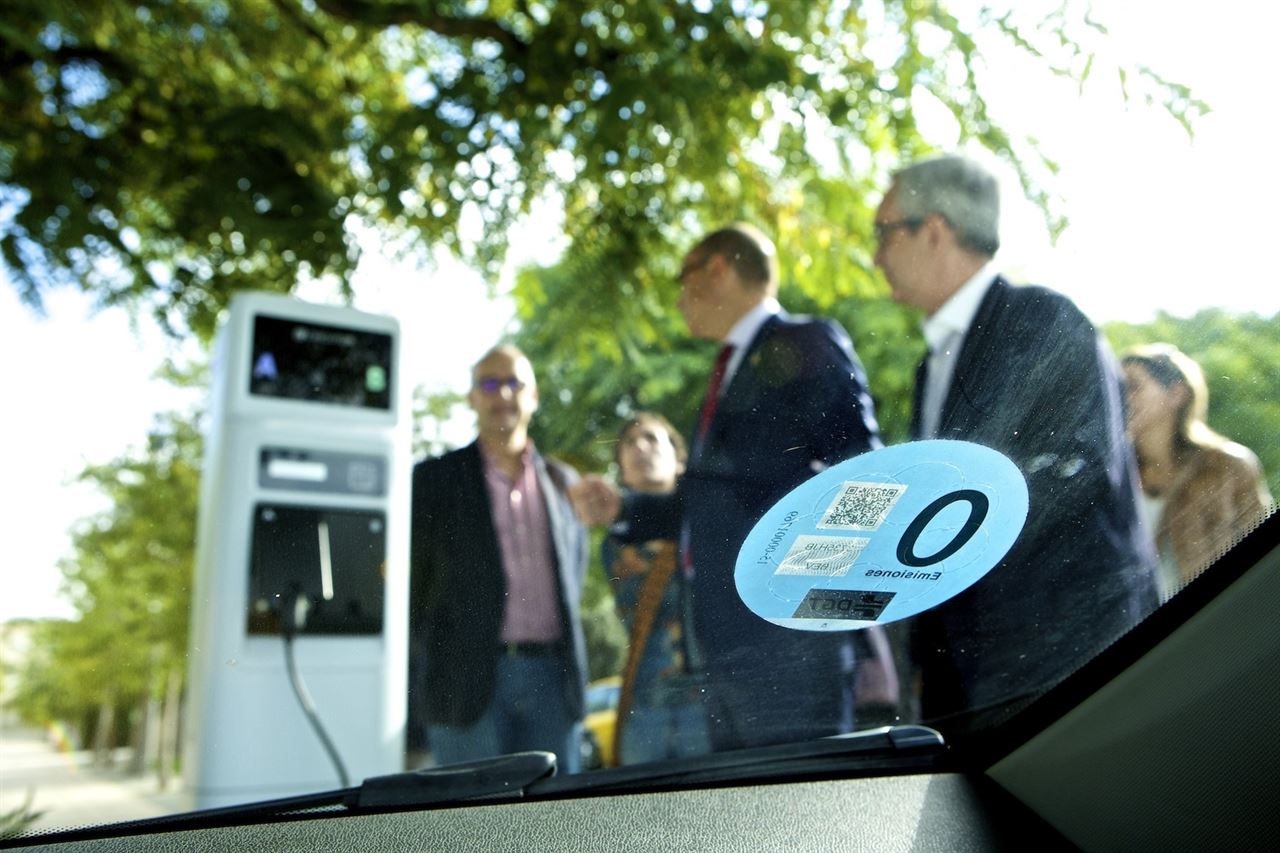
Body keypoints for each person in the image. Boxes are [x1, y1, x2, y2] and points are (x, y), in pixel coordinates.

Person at [872, 155, 1159, 726]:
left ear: (933, 231)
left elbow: (1071, 478)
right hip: (978, 671)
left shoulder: (1042, 320)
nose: (875, 256)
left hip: (1060, 667)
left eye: (883, 233)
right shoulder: (933, 364)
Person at [574, 223, 882, 751]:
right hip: (723, 656)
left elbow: (866, 477)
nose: (677, 299)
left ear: (717, 269)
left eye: (683, 278)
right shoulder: (727, 371)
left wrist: (818, 607)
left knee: (800, 821)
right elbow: (710, 504)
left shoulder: (803, 342)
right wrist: (623, 506)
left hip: (791, 652)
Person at [408, 344, 588, 772]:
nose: (502, 395)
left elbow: (574, 578)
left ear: (534, 396)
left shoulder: (564, 482)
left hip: (552, 682)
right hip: (463, 683)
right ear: (471, 398)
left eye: (514, 383)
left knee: (559, 829)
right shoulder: (434, 479)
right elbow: (413, 590)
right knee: (473, 826)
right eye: (489, 384)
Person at [1121, 344, 1273, 600]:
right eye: (1116, 388)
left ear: (1177, 394)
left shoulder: (1229, 466)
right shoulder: (1112, 475)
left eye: (1133, 386)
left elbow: (1266, 563)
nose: (1121, 398)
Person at [603, 412, 710, 765]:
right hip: (646, 705)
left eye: (651, 438)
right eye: (629, 443)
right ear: (621, 467)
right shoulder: (614, 542)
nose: (640, 447)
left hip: (709, 704)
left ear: (680, 461)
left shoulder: (708, 523)